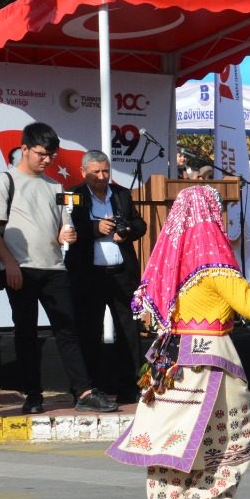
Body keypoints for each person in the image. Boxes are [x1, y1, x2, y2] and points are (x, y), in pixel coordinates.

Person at [107, 186, 250, 499]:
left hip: (167, 359)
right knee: (235, 431)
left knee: (172, 434)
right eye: (220, 212)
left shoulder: (170, 262)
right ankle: (206, 498)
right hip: (210, 358)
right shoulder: (215, 267)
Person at [0, 121, 116, 414]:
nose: (46, 159)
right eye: (41, 153)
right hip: (21, 269)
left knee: (68, 330)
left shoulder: (56, 186)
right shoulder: (4, 181)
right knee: (26, 333)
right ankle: (33, 395)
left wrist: (64, 235)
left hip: (55, 268)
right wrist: (9, 263)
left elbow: (60, 227)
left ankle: (83, 391)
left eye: (51, 155)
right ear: (25, 148)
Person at [67, 149, 148, 403]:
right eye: (96, 172)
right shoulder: (75, 195)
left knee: (128, 331)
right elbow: (67, 227)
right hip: (89, 275)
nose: (102, 177)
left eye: (105, 171)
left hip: (121, 273)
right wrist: (95, 227)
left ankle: (130, 386)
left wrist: (127, 232)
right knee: (89, 331)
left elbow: (140, 224)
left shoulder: (121, 194)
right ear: (83, 172)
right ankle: (90, 388)